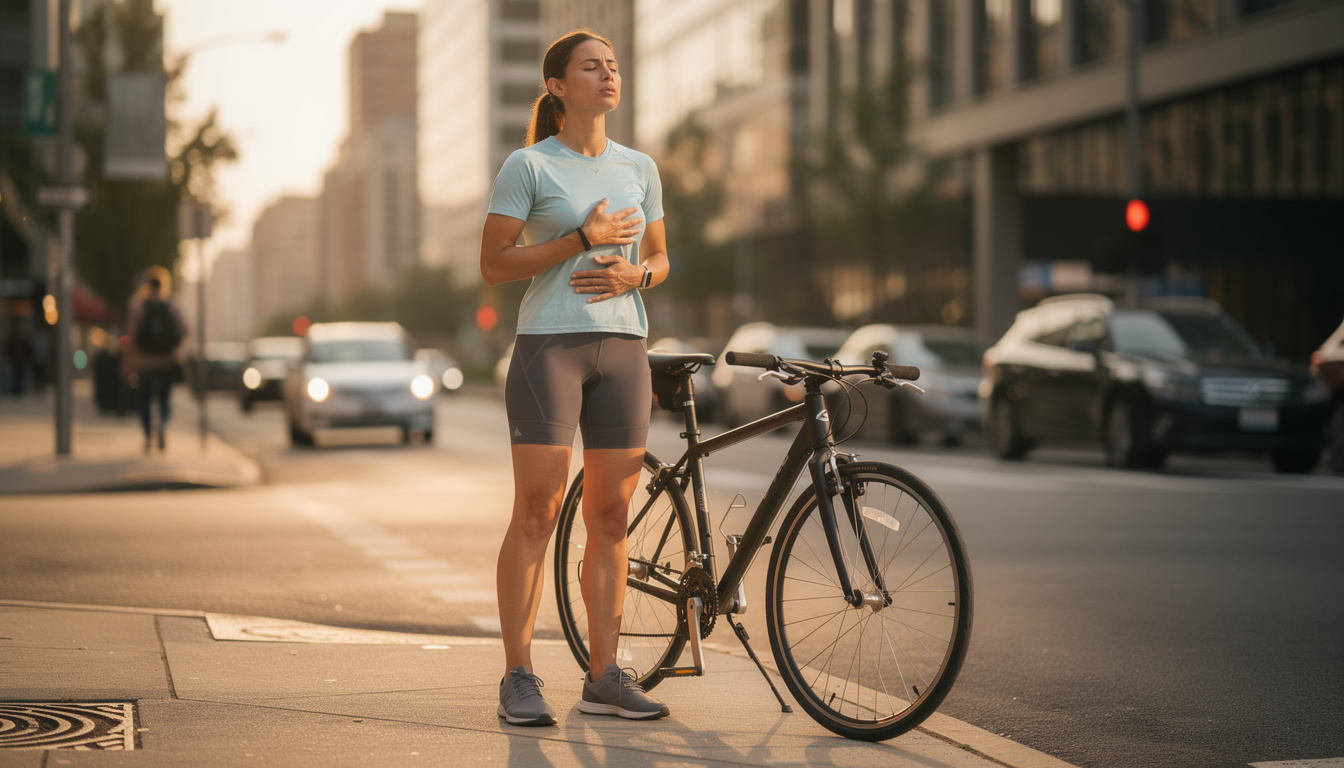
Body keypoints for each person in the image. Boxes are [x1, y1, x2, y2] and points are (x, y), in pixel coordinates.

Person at [480, 28, 670, 727]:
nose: (608, 74)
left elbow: (660, 257)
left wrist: (636, 273)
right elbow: (495, 264)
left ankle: (604, 676)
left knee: (612, 516)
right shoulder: (529, 165)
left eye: (613, 65)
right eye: (592, 66)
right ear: (558, 86)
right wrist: (578, 242)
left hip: (624, 347)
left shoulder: (640, 167)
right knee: (537, 510)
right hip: (548, 348)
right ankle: (518, 675)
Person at [123, 267, 187, 453]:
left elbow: (131, 338)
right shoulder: (171, 305)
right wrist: (173, 344)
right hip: (166, 362)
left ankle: (147, 436)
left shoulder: (139, 307)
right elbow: (185, 329)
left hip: (143, 363)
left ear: (147, 285)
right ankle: (162, 424)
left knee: (144, 399)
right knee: (164, 398)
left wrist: (127, 362)